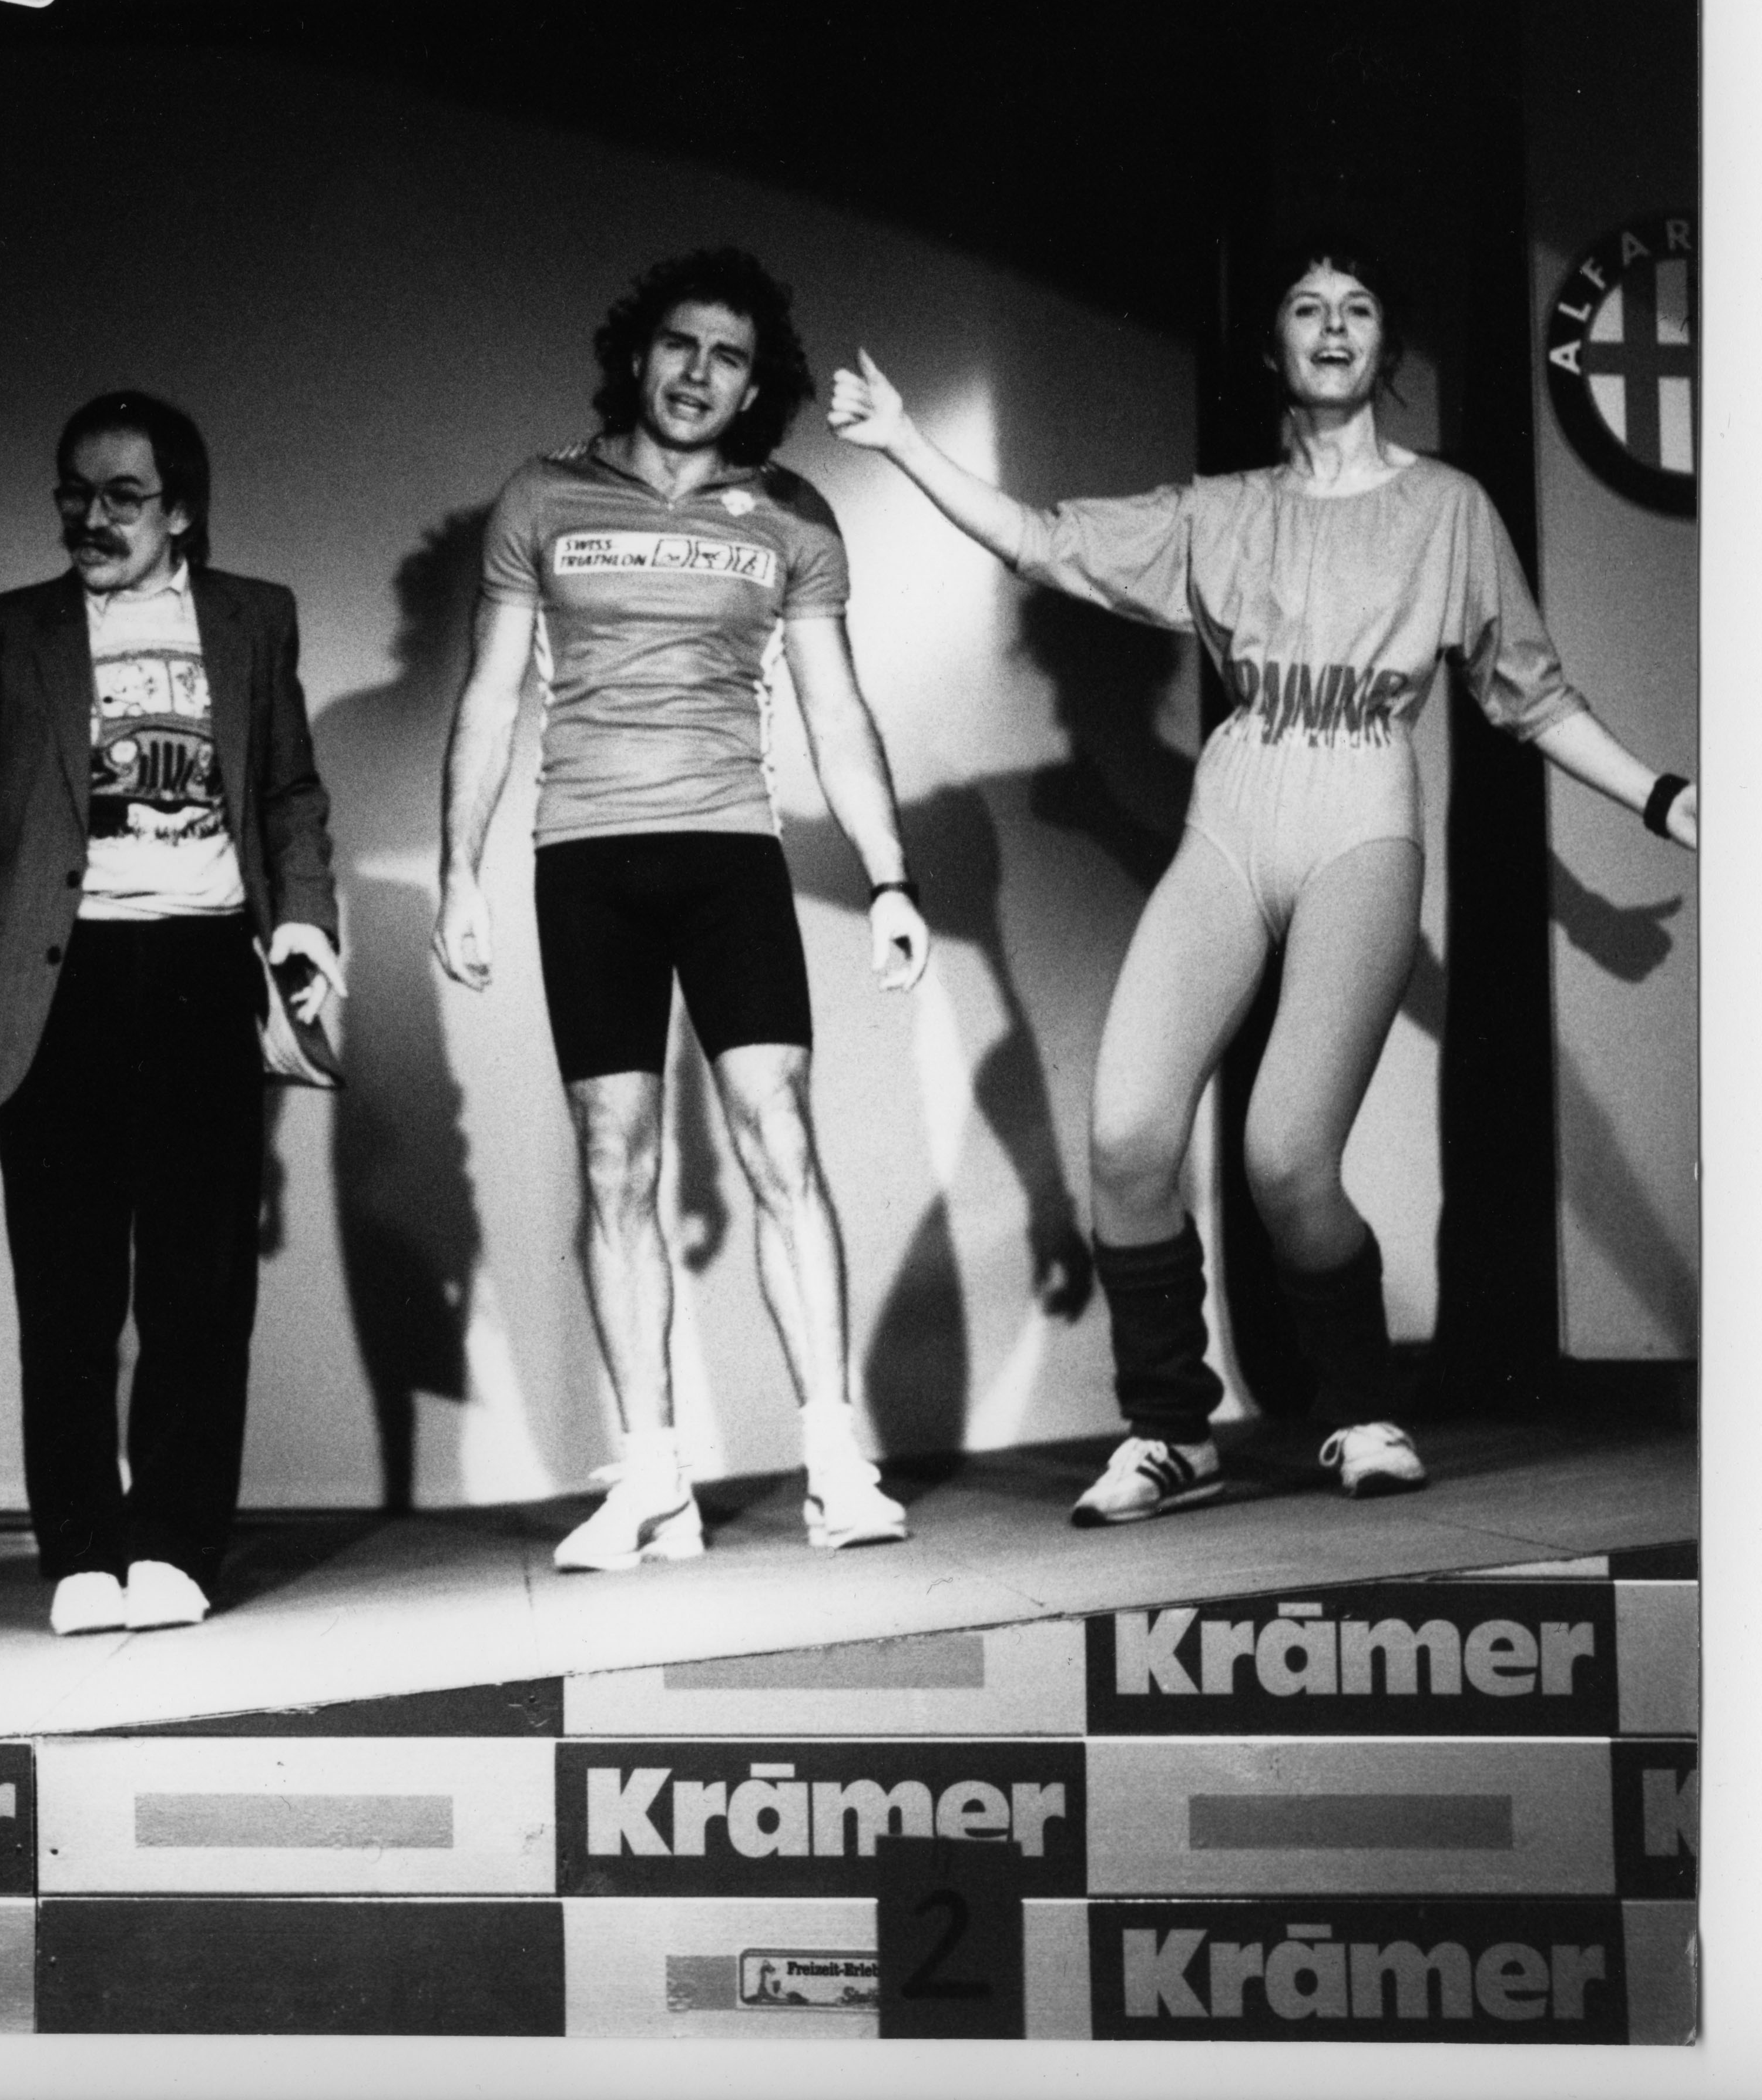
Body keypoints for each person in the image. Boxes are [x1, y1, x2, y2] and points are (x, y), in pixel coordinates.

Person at [827, 238, 1700, 1523]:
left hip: (1359, 825)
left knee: (1286, 1155)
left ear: (1383, 346)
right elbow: (1041, 540)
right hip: (1230, 822)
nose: (1334, 326)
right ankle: (1171, 1434)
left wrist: (1665, 798)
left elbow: (1532, 694)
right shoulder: (1219, 512)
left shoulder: (1448, 509)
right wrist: (904, 441)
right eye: (1307, 306)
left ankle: (1360, 1409)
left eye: (1359, 307)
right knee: (1126, 1139)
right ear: (1275, 346)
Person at [436, 248, 927, 1570]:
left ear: (755, 384)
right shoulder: (541, 495)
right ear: (637, 353)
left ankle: (835, 1463)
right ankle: (652, 1479)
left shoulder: (790, 516)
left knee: (781, 1140)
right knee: (616, 1161)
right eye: (678, 344)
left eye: (728, 356)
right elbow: (489, 697)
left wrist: (889, 877)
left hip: (727, 854)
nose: (698, 373)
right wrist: (458, 874)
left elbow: (835, 711)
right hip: (584, 858)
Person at [0, 391, 340, 1636]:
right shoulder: (18, 626)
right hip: (60, 975)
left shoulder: (253, 616)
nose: (91, 518)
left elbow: (289, 792)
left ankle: (176, 1545)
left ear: (180, 509)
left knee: (198, 1287)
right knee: (67, 1287)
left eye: (122, 497)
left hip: (202, 963)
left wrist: (305, 919)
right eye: (74, 495)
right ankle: (83, 1548)